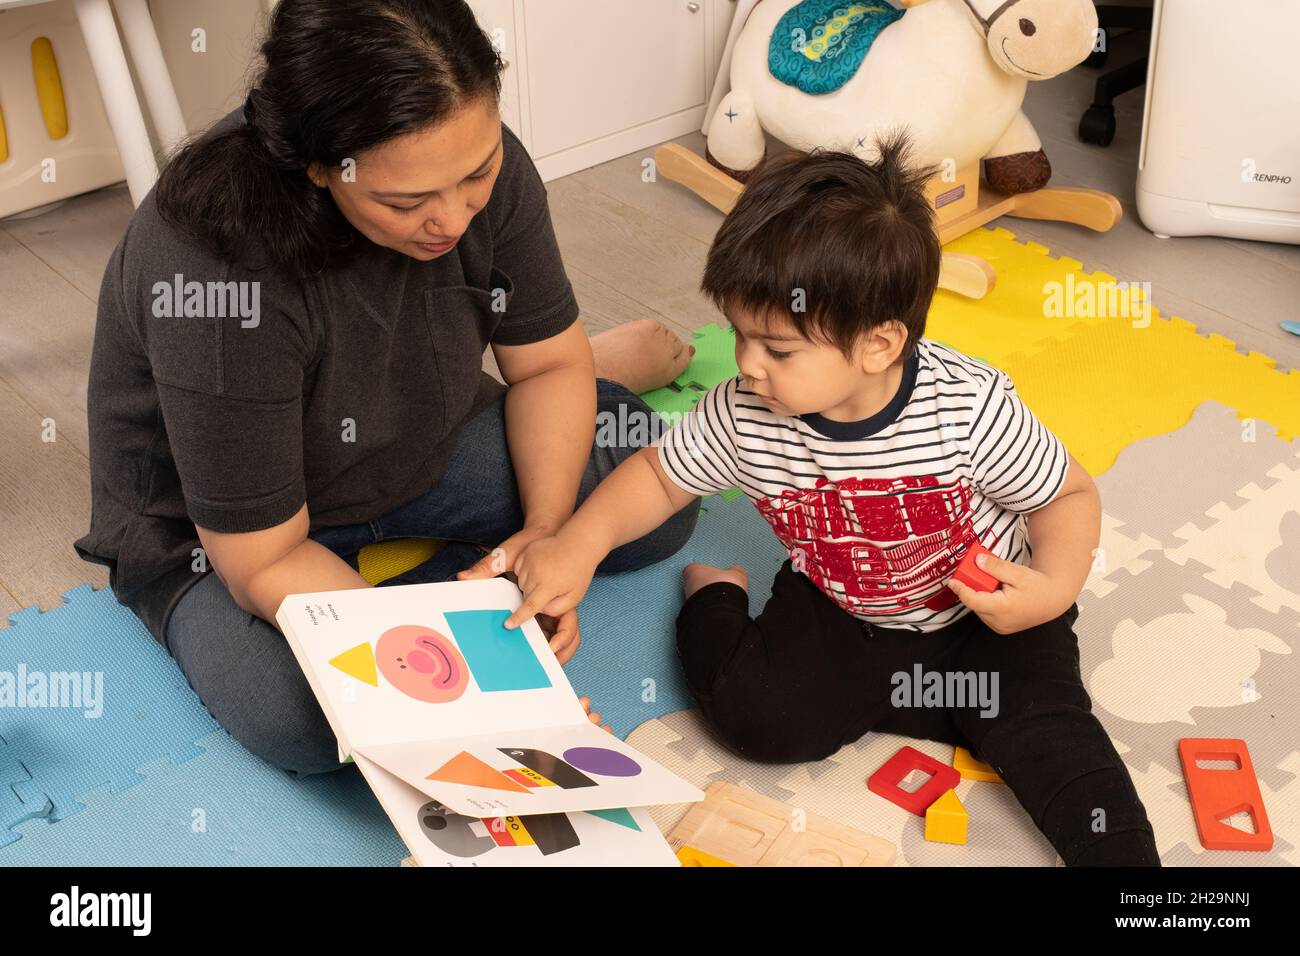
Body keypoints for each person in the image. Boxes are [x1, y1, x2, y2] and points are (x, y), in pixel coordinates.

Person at [72, 0, 698, 775]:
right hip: (229, 534)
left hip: (410, 436)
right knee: (309, 721)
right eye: (406, 203)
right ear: (317, 164)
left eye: (477, 175)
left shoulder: (470, 160)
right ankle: (435, 587)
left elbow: (547, 366)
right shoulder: (216, 268)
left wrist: (547, 533)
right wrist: (473, 689)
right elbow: (265, 561)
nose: (453, 220)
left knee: (651, 489)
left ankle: (443, 563)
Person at [506, 140, 1161, 866]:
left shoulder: (967, 410)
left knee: (1059, 747)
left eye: (778, 349)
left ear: (880, 343)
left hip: (986, 622)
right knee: (757, 724)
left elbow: (1067, 494)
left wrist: (1052, 590)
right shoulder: (743, 412)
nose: (747, 365)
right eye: (737, 335)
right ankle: (716, 595)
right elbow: (661, 476)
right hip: (844, 612)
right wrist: (578, 543)